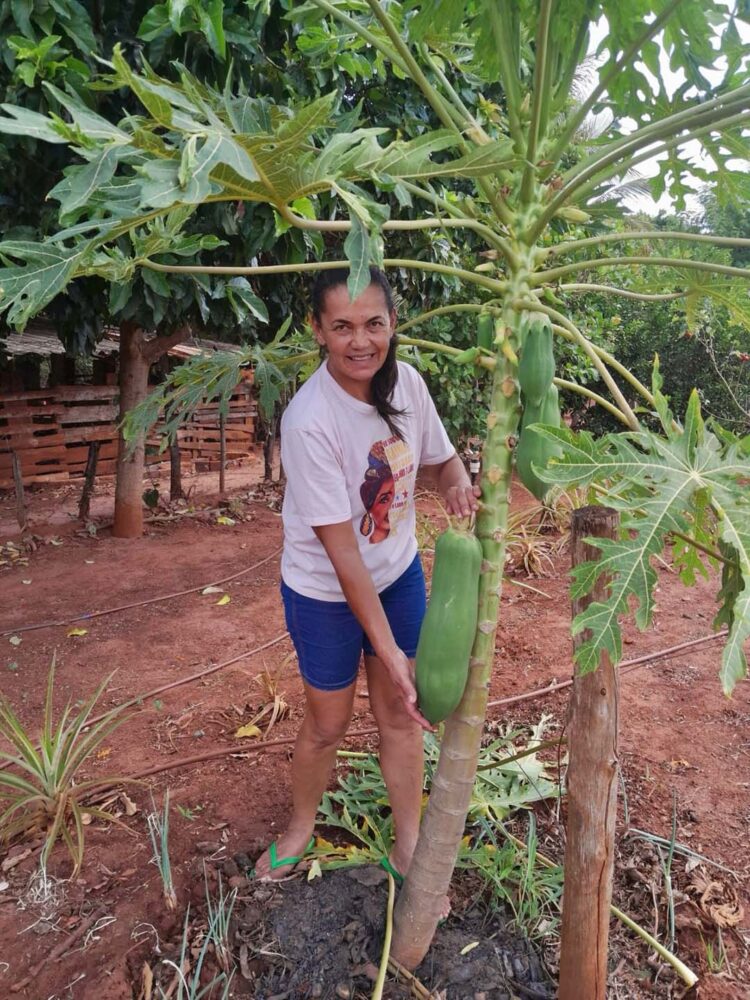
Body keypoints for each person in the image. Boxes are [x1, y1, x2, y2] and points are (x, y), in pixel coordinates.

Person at [253, 266, 480, 886]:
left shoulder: (408, 383)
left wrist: (458, 482)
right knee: (328, 724)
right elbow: (343, 555)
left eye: (374, 324)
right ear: (318, 331)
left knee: (400, 717)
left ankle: (410, 843)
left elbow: (440, 461)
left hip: (398, 574)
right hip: (324, 590)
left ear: (393, 325)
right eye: (343, 326)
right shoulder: (308, 419)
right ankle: (301, 825)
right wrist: (388, 651)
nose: (361, 341)